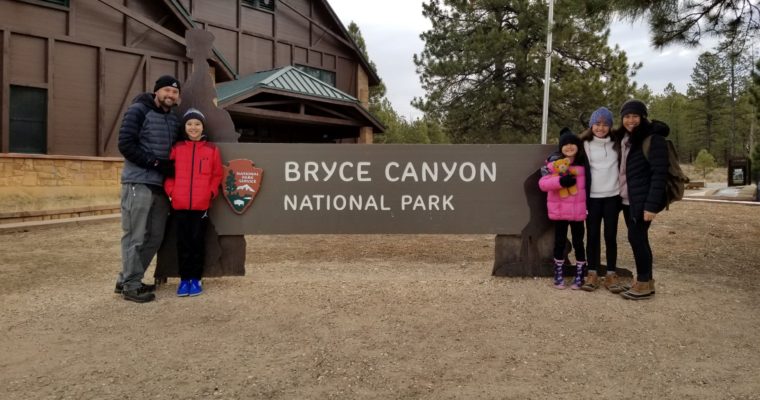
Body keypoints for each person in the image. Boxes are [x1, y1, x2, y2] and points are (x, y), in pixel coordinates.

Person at [115, 75, 181, 303]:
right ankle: (131, 285)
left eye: (174, 92)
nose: (170, 95)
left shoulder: (173, 119)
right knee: (135, 235)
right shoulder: (138, 110)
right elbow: (125, 144)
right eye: (166, 91)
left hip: (160, 186)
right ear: (156, 92)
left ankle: (126, 278)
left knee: (155, 236)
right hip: (138, 181)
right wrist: (154, 163)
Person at [164, 108, 223, 297]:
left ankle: (196, 279)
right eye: (190, 124)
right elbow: (169, 175)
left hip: (201, 206)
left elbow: (217, 175)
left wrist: (211, 192)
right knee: (183, 243)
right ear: (185, 127)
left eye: (197, 124)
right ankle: (184, 280)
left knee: (197, 243)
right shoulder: (177, 148)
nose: (193, 127)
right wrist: (171, 192)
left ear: (202, 127)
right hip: (179, 204)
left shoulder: (212, 150)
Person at [614, 99, 669, 300]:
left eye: (635, 116)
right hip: (628, 199)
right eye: (627, 116)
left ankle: (643, 283)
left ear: (643, 117)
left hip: (642, 201)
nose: (631, 120)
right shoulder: (625, 138)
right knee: (639, 239)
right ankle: (645, 282)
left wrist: (651, 206)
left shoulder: (653, 139)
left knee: (636, 238)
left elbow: (659, 174)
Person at [578, 107, 624, 293]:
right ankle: (592, 272)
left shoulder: (617, 143)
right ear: (591, 125)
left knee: (610, 236)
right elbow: (567, 152)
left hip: (613, 197)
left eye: (605, 124)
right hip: (592, 198)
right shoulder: (584, 144)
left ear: (610, 126)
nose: (601, 128)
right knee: (593, 236)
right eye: (597, 124)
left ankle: (611, 274)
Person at [539, 129, 587, 289]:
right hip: (560, 212)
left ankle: (580, 273)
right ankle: (558, 272)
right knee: (559, 242)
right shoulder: (552, 165)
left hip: (577, 212)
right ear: (560, 148)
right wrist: (560, 181)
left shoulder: (584, 166)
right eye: (565, 144)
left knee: (579, 242)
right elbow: (543, 184)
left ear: (578, 146)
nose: (569, 147)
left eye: (572, 143)